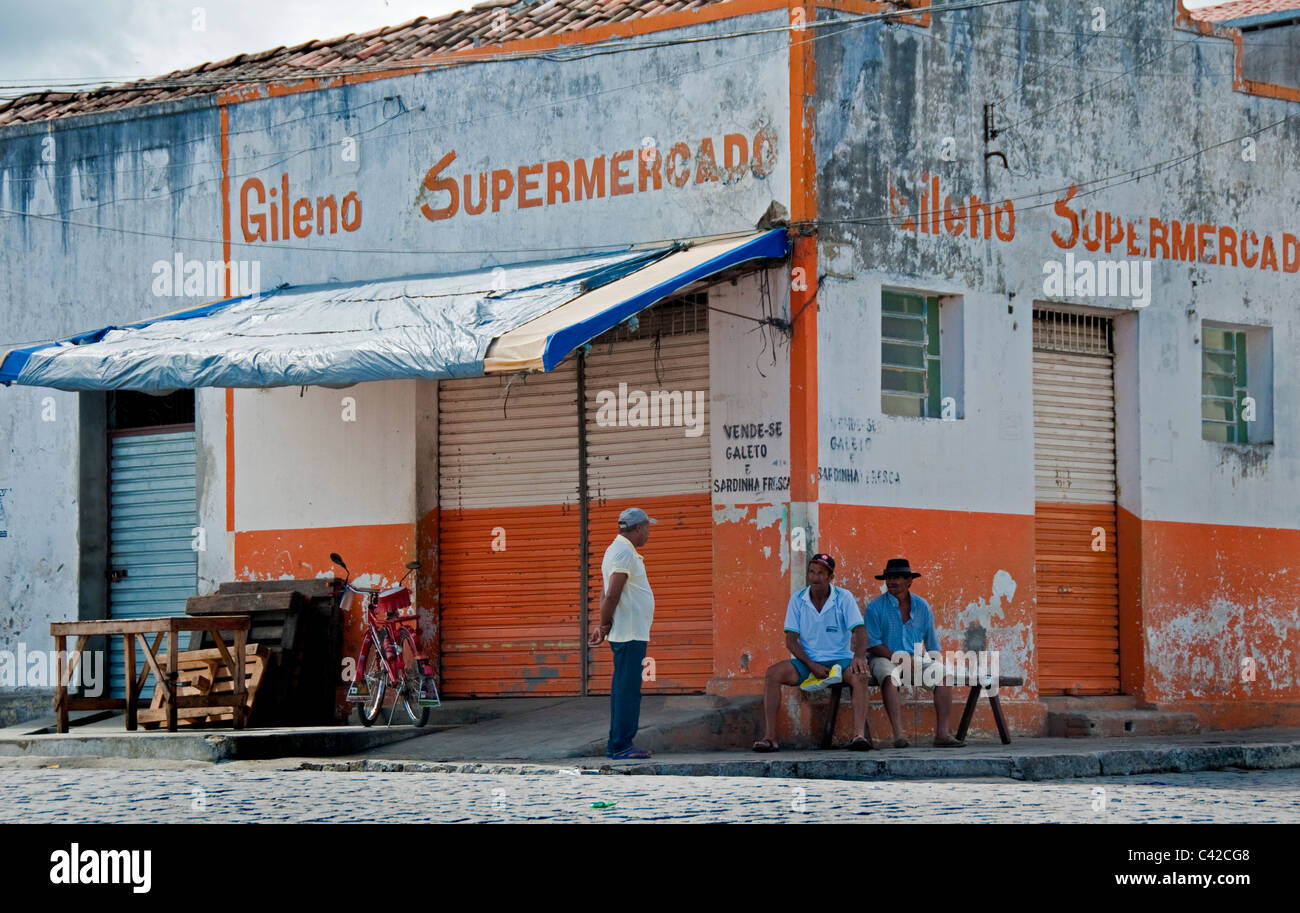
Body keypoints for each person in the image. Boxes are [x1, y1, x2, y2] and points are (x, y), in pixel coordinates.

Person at [753, 553, 873, 752]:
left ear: (830, 577)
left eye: (820, 573)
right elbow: (791, 641)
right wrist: (811, 665)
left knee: (861, 674)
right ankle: (770, 737)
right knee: (773, 673)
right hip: (807, 662)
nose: (815, 577)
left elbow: (860, 631)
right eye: (811, 572)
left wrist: (859, 656)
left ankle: (858, 736)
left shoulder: (843, 598)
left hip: (840, 661)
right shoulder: (798, 599)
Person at [864, 558, 965, 748]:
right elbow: (873, 644)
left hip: (913, 659)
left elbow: (932, 644)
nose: (891, 582)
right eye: (888, 578)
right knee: (889, 677)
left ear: (909, 580)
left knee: (944, 677)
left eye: (897, 578)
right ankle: (899, 735)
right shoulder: (875, 607)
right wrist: (898, 658)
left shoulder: (922, 607)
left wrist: (938, 665)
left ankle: (942, 734)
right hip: (883, 657)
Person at [589, 507, 656, 760]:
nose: (649, 533)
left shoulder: (618, 551)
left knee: (624, 688)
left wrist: (603, 625)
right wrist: (603, 625)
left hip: (629, 632)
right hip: (629, 633)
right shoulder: (623, 554)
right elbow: (612, 594)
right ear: (638, 528)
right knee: (627, 690)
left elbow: (604, 594)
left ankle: (619, 743)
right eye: (647, 528)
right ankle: (621, 745)